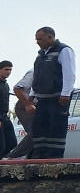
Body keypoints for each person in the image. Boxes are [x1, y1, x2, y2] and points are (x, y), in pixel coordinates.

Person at [28, 26, 75, 159]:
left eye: (40, 39)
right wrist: (32, 94)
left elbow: (69, 73)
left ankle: (54, 155)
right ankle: (40, 154)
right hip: (42, 98)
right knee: (39, 126)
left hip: (57, 97)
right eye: (36, 39)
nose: (37, 42)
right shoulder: (41, 55)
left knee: (56, 126)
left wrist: (65, 93)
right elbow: (38, 75)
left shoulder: (64, 51)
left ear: (50, 37)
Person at [7, 69, 36, 159]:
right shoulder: (34, 72)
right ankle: (14, 155)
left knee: (42, 134)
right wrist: (27, 104)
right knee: (35, 132)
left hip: (39, 106)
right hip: (25, 105)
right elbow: (17, 88)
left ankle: (32, 157)